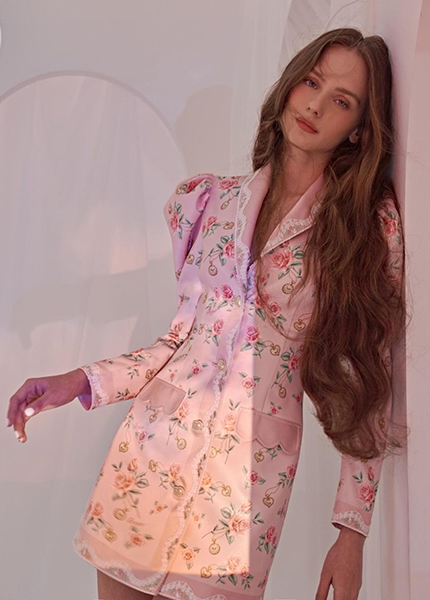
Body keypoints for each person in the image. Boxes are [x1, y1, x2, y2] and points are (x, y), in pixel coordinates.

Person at [6, 26, 407, 600]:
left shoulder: (362, 231)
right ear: (290, 85)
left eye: (341, 100)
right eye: (311, 82)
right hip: (147, 461)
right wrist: (80, 380)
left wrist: (351, 535)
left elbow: (367, 377)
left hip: (242, 491)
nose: (316, 105)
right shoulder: (211, 202)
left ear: (360, 129)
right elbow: (178, 345)